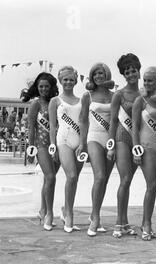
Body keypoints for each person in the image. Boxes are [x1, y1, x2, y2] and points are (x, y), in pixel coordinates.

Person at [107, 53, 141, 238]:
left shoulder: (144, 94)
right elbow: (113, 121)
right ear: (123, 74)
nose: (130, 74)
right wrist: (110, 146)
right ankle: (118, 223)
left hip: (138, 142)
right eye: (126, 72)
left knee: (129, 182)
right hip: (121, 137)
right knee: (125, 179)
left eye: (133, 70)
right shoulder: (119, 95)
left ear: (138, 70)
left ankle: (125, 222)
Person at [79, 63, 115, 236]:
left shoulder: (115, 96)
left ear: (106, 74)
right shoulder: (88, 96)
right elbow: (83, 120)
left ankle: (96, 213)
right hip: (93, 137)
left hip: (110, 140)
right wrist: (82, 143)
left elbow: (116, 120)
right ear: (91, 76)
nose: (98, 76)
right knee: (99, 176)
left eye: (101, 73)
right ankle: (94, 217)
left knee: (105, 180)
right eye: (95, 73)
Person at [131, 66, 156, 241]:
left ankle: (147, 222)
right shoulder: (141, 101)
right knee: (151, 185)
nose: (145, 83)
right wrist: (136, 149)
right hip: (146, 148)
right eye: (144, 80)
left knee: (154, 187)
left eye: (149, 80)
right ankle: (146, 224)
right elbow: (134, 128)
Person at [23, 72, 60, 230]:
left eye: (46, 86)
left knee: (48, 180)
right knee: (50, 178)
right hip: (41, 146)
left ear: (51, 87)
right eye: (41, 86)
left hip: (56, 146)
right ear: (37, 88)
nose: (44, 89)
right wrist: (30, 150)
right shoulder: (35, 104)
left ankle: (42, 210)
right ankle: (48, 212)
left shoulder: (56, 102)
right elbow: (31, 129)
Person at [48, 66, 84, 233]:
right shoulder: (55, 101)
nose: (68, 82)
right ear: (60, 81)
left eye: (71, 79)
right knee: (71, 175)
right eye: (65, 79)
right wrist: (52, 146)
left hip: (79, 142)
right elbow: (52, 127)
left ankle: (65, 209)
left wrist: (83, 143)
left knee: (75, 179)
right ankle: (69, 214)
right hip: (63, 141)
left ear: (75, 80)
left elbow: (85, 123)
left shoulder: (82, 100)